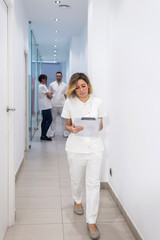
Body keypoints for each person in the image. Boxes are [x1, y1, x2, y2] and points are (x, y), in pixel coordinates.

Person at [61, 73, 106, 240]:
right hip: (75, 148)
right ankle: (77, 200)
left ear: (88, 85)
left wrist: (94, 126)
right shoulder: (69, 103)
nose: (81, 90)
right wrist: (71, 129)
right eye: (77, 87)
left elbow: (100, 125)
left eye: (83, 86)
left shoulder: (98, 102)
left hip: (95, 148)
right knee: (76, 179)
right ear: (73, 88)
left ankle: (91, 221)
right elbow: (66, 125)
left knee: (93, 184)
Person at [48, 71, 68, 137]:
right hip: (54, 104)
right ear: (55, 76)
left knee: (64, 119)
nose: (58, 77)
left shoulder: (65, 85)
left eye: (60, 76)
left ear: (62, 76)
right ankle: (52, 132)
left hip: (62, 104)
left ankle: (65, 132)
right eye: (57, 76)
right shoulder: (51, 84)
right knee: (53, 119)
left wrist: (63, 101)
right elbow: (50, 94)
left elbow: (66, 95)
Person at [38, 74, 52, 141]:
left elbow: (49, 95)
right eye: (46, 79)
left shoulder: (40, 86)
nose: (47, 80)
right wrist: (50, 95)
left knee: (44, 120)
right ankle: (44, 135)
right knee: (49, 120)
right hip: (46, 106)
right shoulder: (43, 86)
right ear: (43, 79)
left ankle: (43, 135)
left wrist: (49, 94)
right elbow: (50, 96)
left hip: (43, 106)